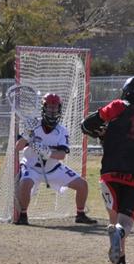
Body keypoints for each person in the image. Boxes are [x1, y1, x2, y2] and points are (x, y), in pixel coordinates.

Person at [81, 76, 134, 264]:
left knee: (114, 221)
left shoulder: (119, 105)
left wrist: (100, 131)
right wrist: (108, 134)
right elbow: (131, 138)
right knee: (125, 224)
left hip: (111, 172)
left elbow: (89, 124)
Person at [14, 92, 97, 226]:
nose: (52, 111)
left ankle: (80, 215)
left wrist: (47, 152)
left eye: (55, 107)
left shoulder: (62, 130)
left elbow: (62, 155)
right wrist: (26, 134)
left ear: (59, 109)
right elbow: (18, 147)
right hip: (31, 167)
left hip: (53, 168)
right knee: (25, 183)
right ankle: (23, 215)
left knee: (82, 185)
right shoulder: (33, 125)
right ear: (44, 108)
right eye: (49, 107)